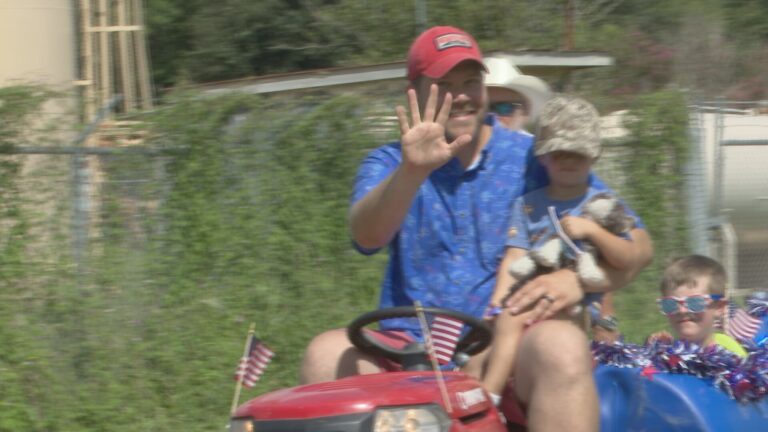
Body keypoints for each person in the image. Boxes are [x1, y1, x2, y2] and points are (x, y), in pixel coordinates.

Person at [300, 26, 652, 432]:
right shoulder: (389, 162)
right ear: (414, 92)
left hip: (506, 341)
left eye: (470, 81)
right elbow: (366, 234)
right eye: (444, 85)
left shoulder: (532, 158)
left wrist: (580, 283)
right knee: (324, 355)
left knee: (562, 345)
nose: (462, 95)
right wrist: (413, 170)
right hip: (411, 346)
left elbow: (638, 243)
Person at [481, 94, 647, 403]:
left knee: (542, 327)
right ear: (543, 157)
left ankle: (491, 396)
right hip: (532, 297)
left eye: (578, 154)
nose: (568, 161)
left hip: (579, 308)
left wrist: (593, 231)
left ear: (594, 156)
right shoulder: (528, 204)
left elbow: (626, 257)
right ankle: (492, 395)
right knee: (503, 322)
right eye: (559, 154)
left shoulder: (604, 204)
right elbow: (515, 257)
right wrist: (496, 304)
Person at [647, 255, 747, 357]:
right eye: (671, 304)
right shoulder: (666, 355)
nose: (682, 310)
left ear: (719, 307)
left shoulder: (731, 354)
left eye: (694, 302)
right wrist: (653, 353)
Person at [484, 56, 551, 132]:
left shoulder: (540, 144)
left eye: (504, 108)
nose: (492, 117)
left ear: (525, 113)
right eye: (482, 109)